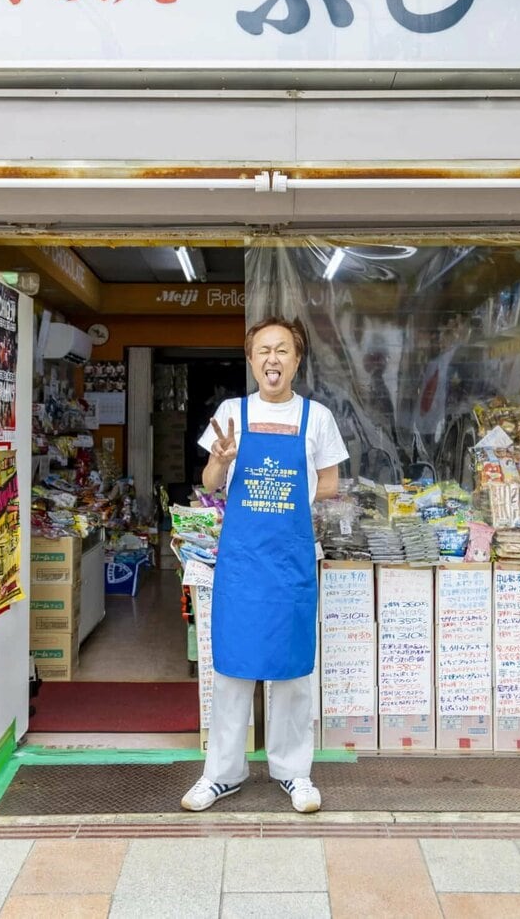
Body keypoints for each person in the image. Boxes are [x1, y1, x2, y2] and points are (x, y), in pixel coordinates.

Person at [181, 317, 348, 814]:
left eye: (282, 350)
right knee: (231, 669)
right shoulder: (232, 412)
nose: (272, 359)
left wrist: (287, 496)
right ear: (251, 361)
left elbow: (331, 483)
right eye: (262, 351)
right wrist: (222, 459)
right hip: (242, 564)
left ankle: (294, 773)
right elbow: (211, 484)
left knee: (293, 672)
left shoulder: (317, 417)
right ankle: (221, 774)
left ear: (297, 359)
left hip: (291, 563)